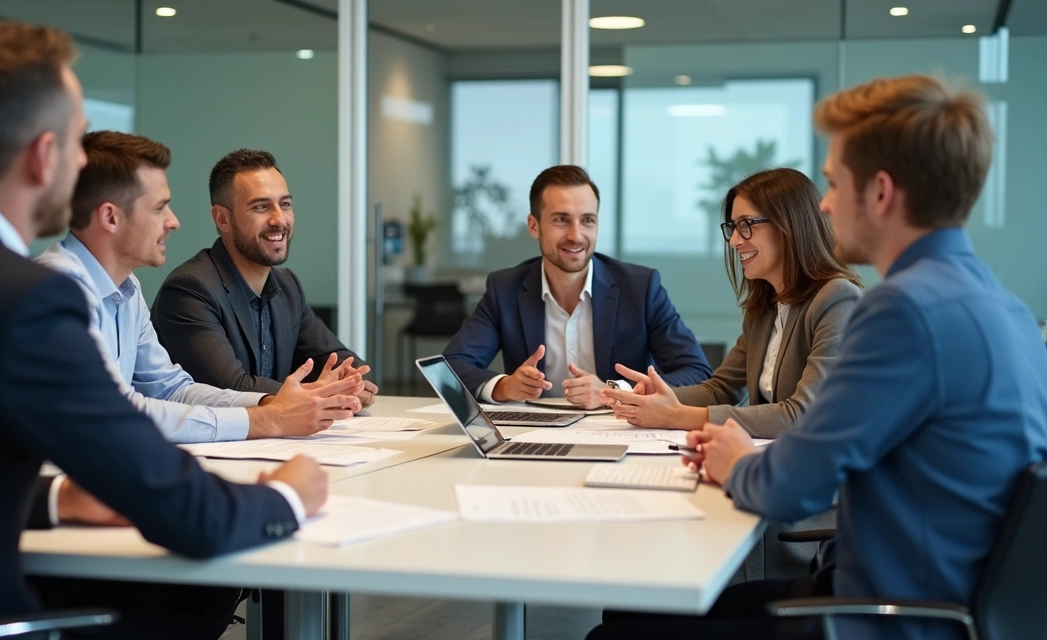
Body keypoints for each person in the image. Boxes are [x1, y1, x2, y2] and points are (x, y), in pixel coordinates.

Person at [0, 21, 327, 640]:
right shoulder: (24, 298)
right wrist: (285, 496)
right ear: (44, 157)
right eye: (74, 142)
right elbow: (181, 510)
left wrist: (51, 500)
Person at [588, 75, 1047, 640]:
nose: (824, 205)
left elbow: (792, 485)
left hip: (883, 616)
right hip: (926, 599)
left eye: (832, 183)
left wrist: (734, 459)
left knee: (614, 635)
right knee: (633, 611)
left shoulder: (903, 311)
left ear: (879, 192)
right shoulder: (1009, 310)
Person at [602, 168, 862, 578]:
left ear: (789, 226)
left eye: (746, 226)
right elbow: (722, 387)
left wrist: (678, 416)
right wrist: (657, 399)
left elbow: (800, 415)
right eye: (733, 227)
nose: (735, 240)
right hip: (755, 497)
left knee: (639, 598)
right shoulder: (764, 307)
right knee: (631, 587)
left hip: (800, 527)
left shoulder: (837, 301)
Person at [35, 131, 363, 444]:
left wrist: (268, 404)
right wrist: (267, 419)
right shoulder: (57, 289)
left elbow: (171, 389)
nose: (173, 222)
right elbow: (114, 411)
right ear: (110, 218)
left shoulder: (127, 289)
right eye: (159, 208)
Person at [443, 165, 712, 408]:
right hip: (532, 436)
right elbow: (450, 368)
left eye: (587, 220)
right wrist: (504, 386)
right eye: (561, 220)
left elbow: (697, 371)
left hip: (622, 431)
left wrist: (616, 390)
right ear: (534, 226)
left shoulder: (640, 288)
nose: (576, 235)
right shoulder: (505, 290)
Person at [152, 149, 379, 408]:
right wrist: (320, 392)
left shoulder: (287, 286)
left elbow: (341, 360)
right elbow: (232, 388)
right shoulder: (190, 289)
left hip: (275, 440)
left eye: (285, 204)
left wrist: (349, 381)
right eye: (261, 207)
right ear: (222, 219)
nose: (279, 220)